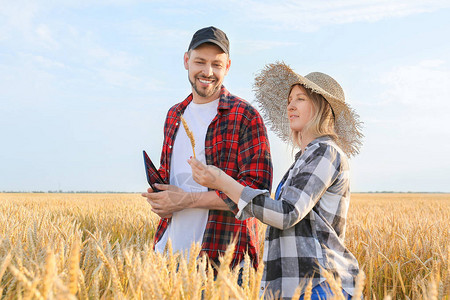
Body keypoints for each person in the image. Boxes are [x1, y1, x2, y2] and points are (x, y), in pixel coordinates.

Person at [188, 62, 363, 299]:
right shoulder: (305, 158)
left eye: (300, 98)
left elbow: (286, 213)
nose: (290, 105)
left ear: (322, 107)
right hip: (298, 287)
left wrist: (223, 182)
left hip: (321, 285)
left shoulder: (326, 152)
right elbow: (276, 212)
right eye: (290, 100)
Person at [142, 26, 273, 271]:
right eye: (200, 61)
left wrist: (185, 200)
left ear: (228, 66)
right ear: (186, 60)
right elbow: (170, 175)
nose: (208, 71)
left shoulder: (245, 116)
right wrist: (161, 198)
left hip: (222, 259)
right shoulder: (174, 115)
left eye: (217, 64)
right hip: (169, 255)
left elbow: (256, 194)